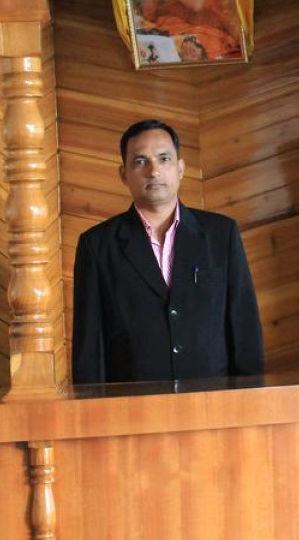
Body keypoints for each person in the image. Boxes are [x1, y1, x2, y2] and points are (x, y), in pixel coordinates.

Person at [71, 119, 263, 384]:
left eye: (164, 159)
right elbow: (89, 346)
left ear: (180, 168)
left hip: (213, 399)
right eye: (140, 161)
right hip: (133, 403)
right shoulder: (97, 246)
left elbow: (245, 328)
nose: (154, 171)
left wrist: (251, 398)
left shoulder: (221, 234)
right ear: (124, 174)